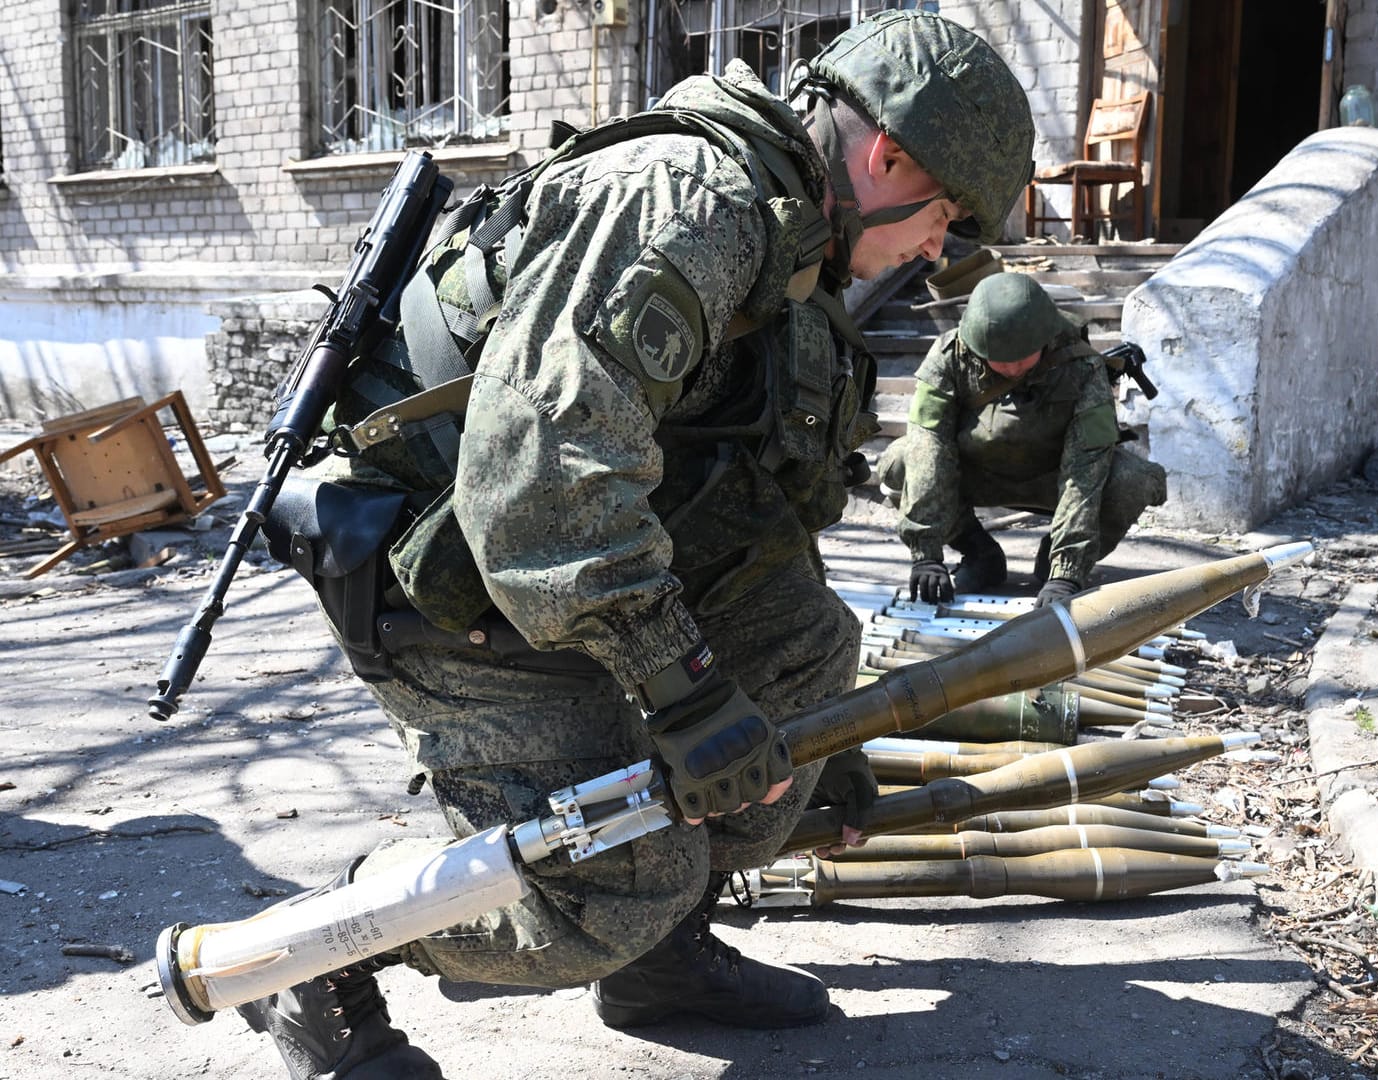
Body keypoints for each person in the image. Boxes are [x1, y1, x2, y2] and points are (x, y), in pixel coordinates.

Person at [234, 12, 1034, 1078]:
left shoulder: (793, 246)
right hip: (448, 577)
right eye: (950, 220)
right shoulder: (689, 206)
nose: (941, 252)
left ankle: (660, 958)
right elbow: (537, 481)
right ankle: (317, 950)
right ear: (889, 156)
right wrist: (686, 691)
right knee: (613, 883)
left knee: (803, 653)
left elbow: (759, 508)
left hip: (560, 554)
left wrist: (810, 743)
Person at [879, 271, 1167, 607]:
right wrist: (926, 552)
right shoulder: (949, 357)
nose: (1012, 369)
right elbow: (930, 444)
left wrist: (1066, 571)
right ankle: (978, 553)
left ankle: (1050, 562)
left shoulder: (1082, 367)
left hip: (1052, 478)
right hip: (974, 474)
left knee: (1132, 479)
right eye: (999, 359)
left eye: (1021, 358)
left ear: (1044, 339)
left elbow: (1085, 468)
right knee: (901, 461)